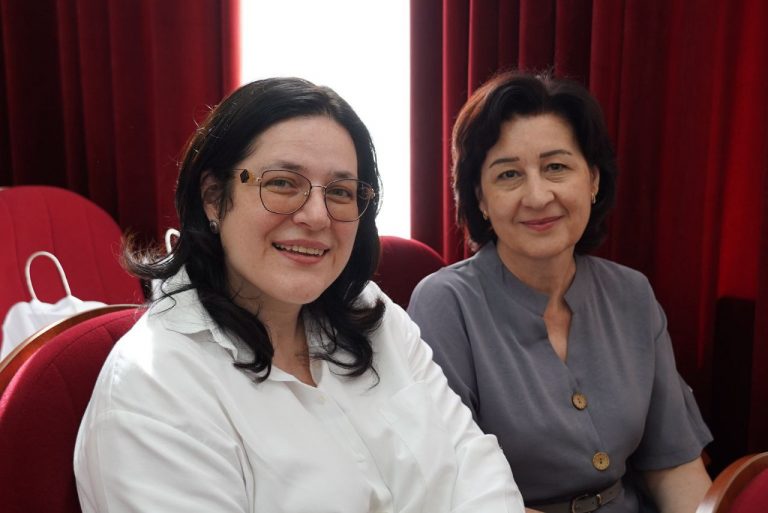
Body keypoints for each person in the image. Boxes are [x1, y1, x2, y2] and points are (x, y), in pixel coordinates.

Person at [73, 77, 524, 513]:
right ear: (213, 197)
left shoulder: (373, 314)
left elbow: (477, 469)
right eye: (282, 183)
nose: (316, 216)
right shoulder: (154, 387)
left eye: (341, 192)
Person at [407, 71, 713, 513]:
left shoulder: (632, 293)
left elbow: (674, 466)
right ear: (481, 199)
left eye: (556, 167)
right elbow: (451, 487)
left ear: (592, 180)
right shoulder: (445, 304)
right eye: (509, 174)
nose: (537, 196)